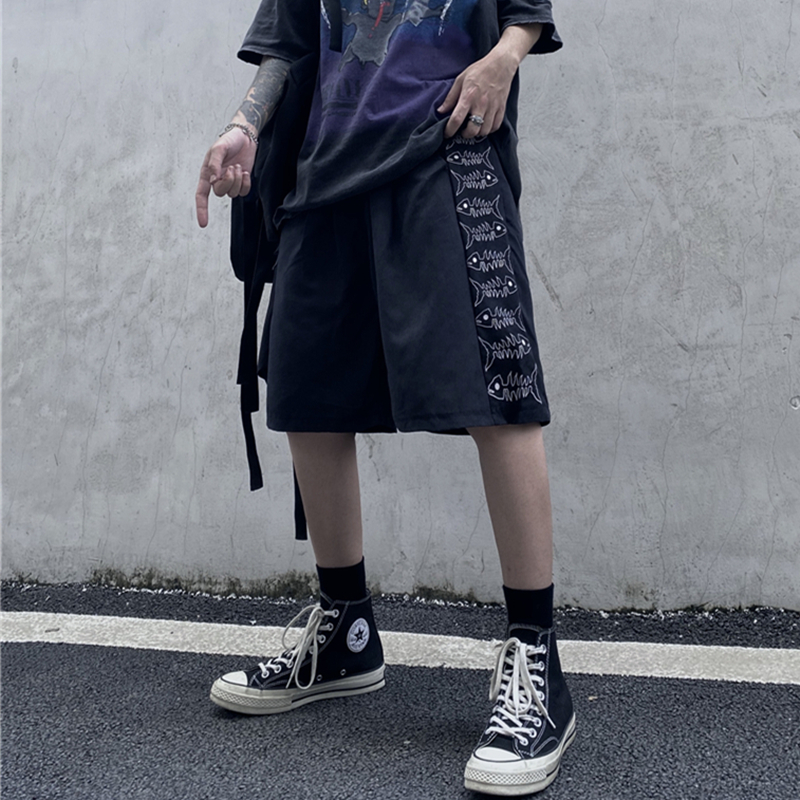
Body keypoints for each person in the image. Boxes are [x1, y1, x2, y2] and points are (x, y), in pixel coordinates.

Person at [195, 1, 574, 794]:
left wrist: (503, 59)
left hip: (447, 148)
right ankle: (346, 631)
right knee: (303, 388)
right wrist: (243, 127)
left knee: (500, 387)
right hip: (326, 165)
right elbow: (288, 44)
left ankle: (537, 655)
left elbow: (527, 9)